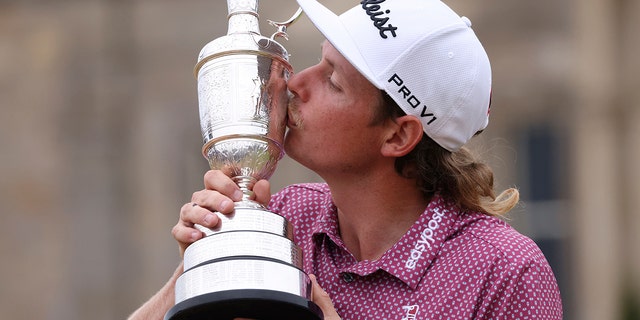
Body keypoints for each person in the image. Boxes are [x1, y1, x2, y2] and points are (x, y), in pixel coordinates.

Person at [129, 0, 563, 319]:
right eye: (319, 61)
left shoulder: (505, 271)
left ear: (399, 134)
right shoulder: (288, 215)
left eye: (332, 81)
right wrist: (201, 267)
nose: (297, 83)